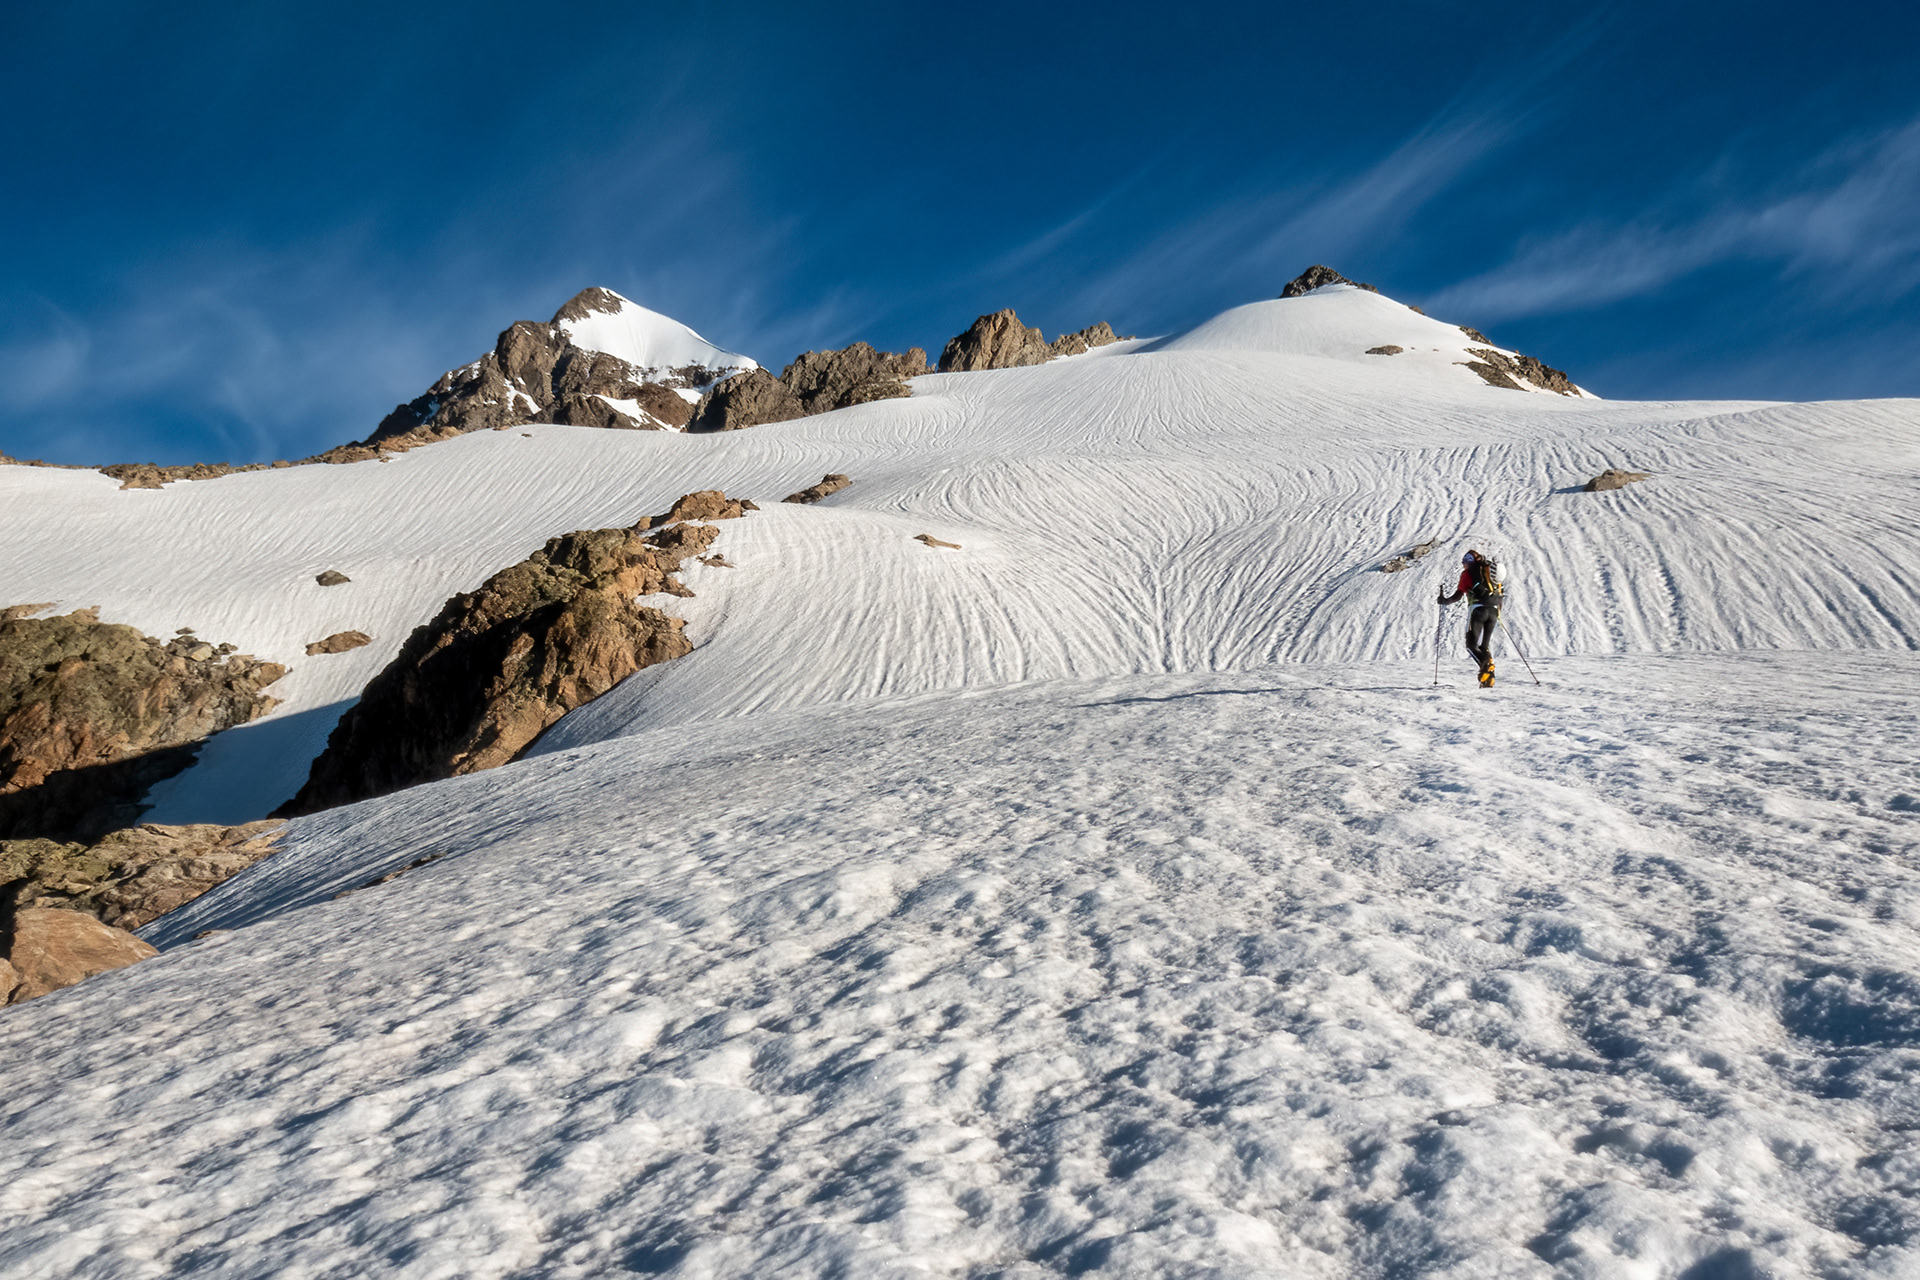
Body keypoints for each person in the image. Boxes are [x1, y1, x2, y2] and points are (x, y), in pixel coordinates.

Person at [1439, 550, 1503, 687]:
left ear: (1468, 563)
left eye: (1464, 563)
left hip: (1478, 610)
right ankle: (1488, 679)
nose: (1464, 566)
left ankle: (1486, 666)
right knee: (1484, 646)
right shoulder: (1489, 571)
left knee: (1471, 646)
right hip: (1494, 611)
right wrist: (1498, 613)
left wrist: (1444, 601)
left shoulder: (1468, 574)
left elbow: (1458, 595)